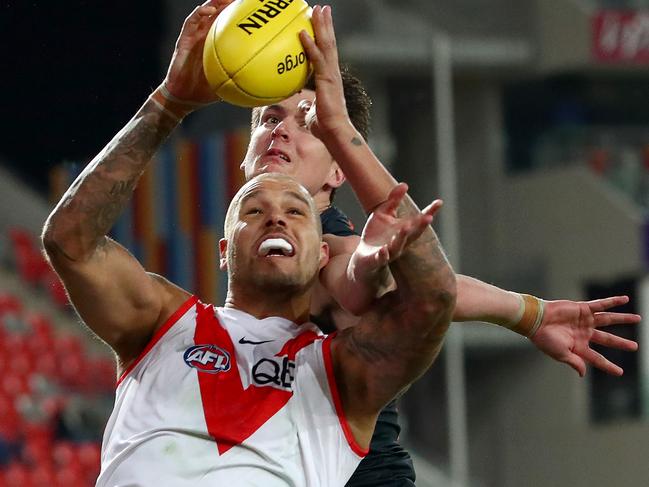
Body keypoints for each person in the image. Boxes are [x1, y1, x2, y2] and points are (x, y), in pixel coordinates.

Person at [43, 1, 640, 485]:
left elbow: (398, 285)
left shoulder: (335, 246)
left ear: (336, 171)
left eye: (306, 123)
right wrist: (526, 313)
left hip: (362, 469)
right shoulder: (194, 314)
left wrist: (517, 309)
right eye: (266, 118)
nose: (279, 130)